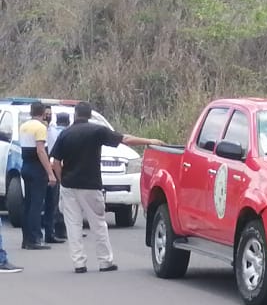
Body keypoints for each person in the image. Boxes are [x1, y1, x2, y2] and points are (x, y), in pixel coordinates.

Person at [47, 102, 165, 274]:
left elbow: (56, 162)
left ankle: (79, 263)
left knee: (73, 225)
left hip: (69, 185)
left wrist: (61, 179)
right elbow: (125, 139)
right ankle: (105, 261)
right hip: (91, 185)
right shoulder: (96, 131)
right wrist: (149, 141)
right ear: (88, 115)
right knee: (98, 224)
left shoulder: (65, 134)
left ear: (75, 114)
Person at [17, 102, 57, 251]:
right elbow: (41, 151)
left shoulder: (24, 126)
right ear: (43, 113)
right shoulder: (41, 128)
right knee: (36, 204)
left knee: (27, 204)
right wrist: (50, 173)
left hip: (25, 165)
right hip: (36, 168)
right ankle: (35, 239)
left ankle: (26, 239)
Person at [44, 111, 71, 244]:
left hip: (52, 166)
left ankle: (58, 230)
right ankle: (60, 230)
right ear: (68, 122)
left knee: (55, 202)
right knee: (58, 202)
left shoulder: (52, 131)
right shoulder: (66, 133)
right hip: (60, 168)